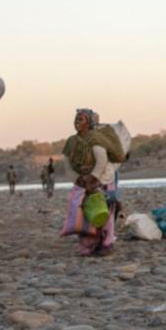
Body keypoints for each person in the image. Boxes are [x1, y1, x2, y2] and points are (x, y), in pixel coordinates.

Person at [60, 109, 119, 256]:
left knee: (104, 213)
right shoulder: (71, 141)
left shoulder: (96, 139)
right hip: (82, 181)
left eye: (81, 119)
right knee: (85, 212)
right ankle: (88, 246)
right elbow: (67, 162)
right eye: (76, 119)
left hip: (102, 180)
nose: (77, 122)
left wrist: (93, 178)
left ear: (89, 123)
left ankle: (106, 244)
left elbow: (102, 161)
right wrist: (77, 179)